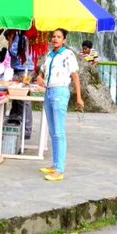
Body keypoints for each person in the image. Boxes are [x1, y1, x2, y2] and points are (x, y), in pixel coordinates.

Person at [36, 27, 84, 182]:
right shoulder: (49, 55)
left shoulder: (68, 55)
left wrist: (79, 97)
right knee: (52, 131)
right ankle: (55, 164)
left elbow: (75, 75)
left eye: (58, 37)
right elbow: (42, 72)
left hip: (60, 92)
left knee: (59, 132)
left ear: (64, 40)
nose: (55, 39)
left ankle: (59, 170)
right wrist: (39, 77)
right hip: (49, 92)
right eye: (53, 36)